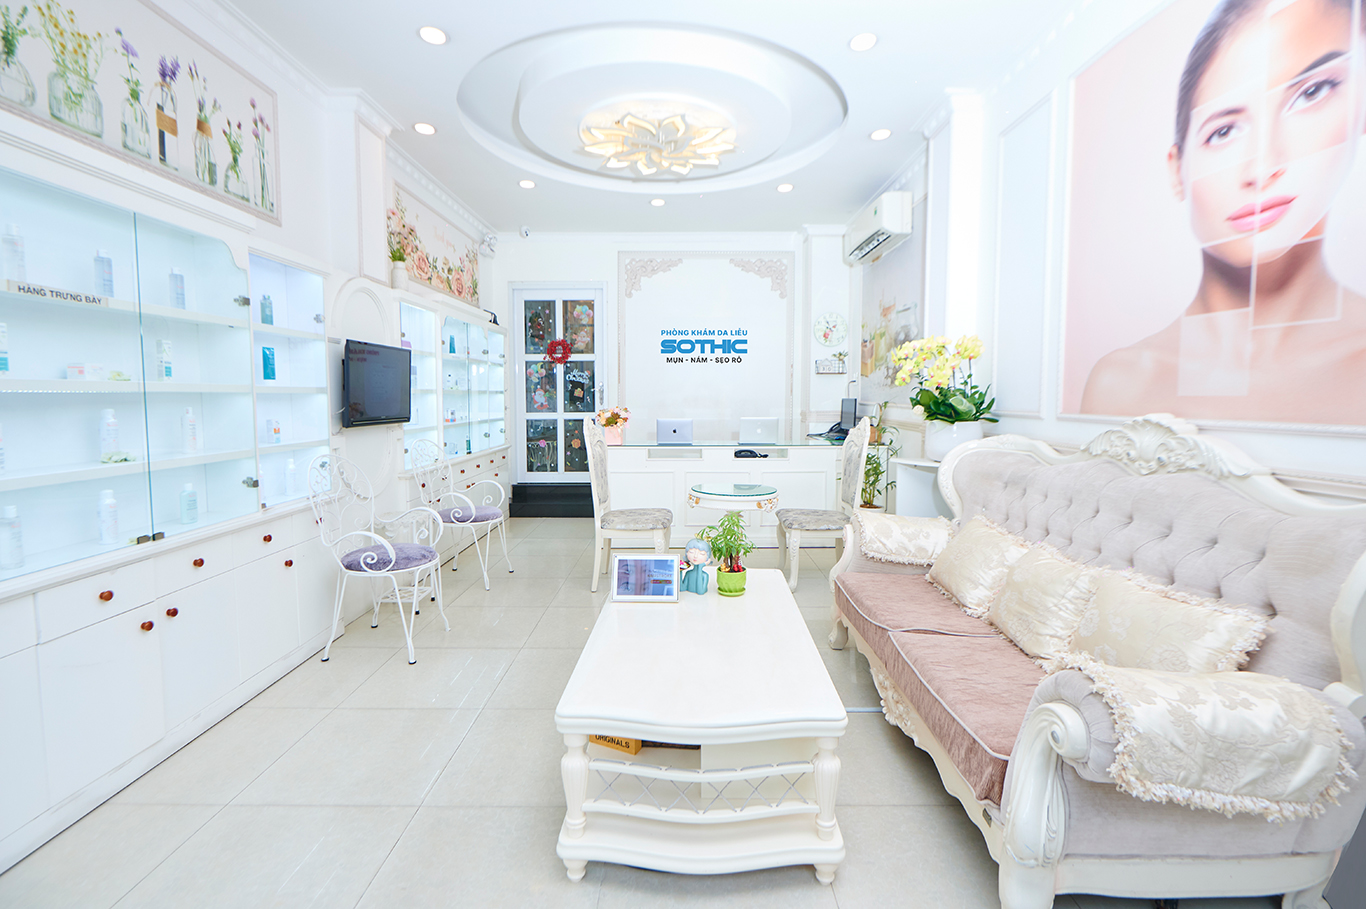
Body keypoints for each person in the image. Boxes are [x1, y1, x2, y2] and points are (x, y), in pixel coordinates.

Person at [1082, 0, 1366, 423]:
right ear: (1177, 171)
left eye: (1311, 93)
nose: (1262, 167)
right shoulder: (1121, 382)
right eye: (1224, 131)